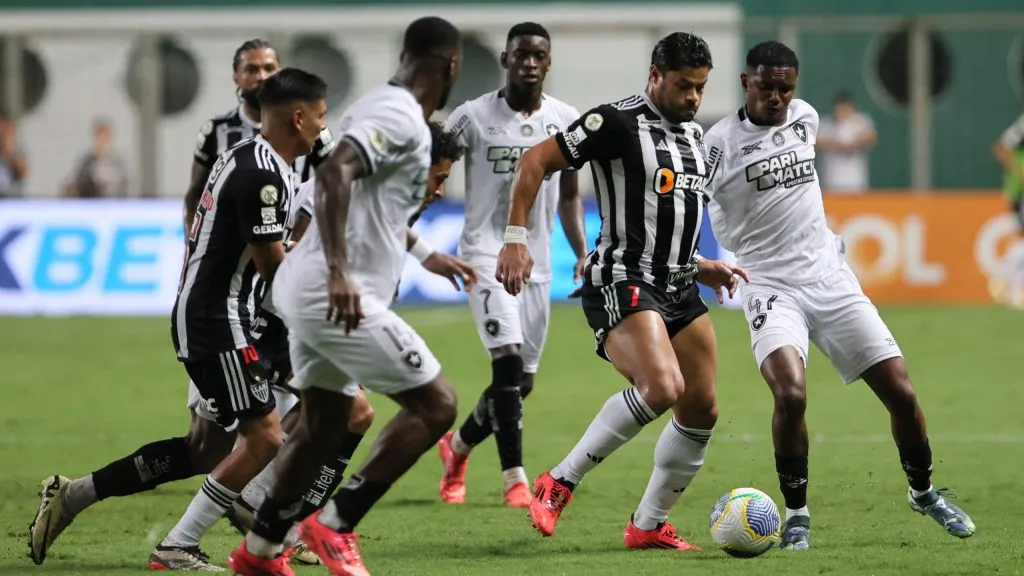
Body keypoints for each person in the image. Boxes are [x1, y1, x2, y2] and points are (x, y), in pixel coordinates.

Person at [701, 41, 975, 551]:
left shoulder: (805, 118)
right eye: (767, 86)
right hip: (770, 285)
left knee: (902, 393)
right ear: (746, 82)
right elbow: (681, 203)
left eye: (786, 88)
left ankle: (924, 493)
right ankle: (797, 516)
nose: (777, 97)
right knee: (790, 394)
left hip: (829, 277)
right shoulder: (718, 145)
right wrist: (699, 264)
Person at [228, 17, 475, 576]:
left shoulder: (378, 108)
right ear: (451, 65)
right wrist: (339, 271)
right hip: (333, 291)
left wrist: (423, 253)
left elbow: (363, 195)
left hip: (306, 288)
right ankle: (336, 523)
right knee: (437, 404)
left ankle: (259, 552)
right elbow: (336, 175)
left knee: (323, 427)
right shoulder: (398, 115)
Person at [495, 32, 746, 550]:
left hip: (679, 287)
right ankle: (558, 481)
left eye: (700, 87)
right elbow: (535, 161)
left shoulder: (694, 136)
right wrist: (516, 238)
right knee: (662, 386)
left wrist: (701, 266)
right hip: (623, 279)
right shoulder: (614, 122)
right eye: (683, 85)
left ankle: (648, 524)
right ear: (655, 75)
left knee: (701, 409)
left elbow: (666, 217)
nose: (693, 97)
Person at [436, 21, 587, 508]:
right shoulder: (473, 116)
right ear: (505, 60)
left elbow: (570, 197)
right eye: (521, 54)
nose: (530, 63)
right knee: (506, 360)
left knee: (521, 382)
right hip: (484, 254)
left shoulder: (566, 120)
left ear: (548, 62)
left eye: (538, 55)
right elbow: (436, 162)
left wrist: (581, 253)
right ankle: (514, 479)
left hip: (538, 263)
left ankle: (457, 447)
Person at [989, 107, 1024, 307]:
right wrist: (1020, 173)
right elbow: (1001, 149)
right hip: (1021, 191)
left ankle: (1016, 292)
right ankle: (1003, 276)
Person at [815, 91, 876, 193]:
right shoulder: (826, 123)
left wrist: (855, 144)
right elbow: (817, 142)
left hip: (856, 183)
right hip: (831, 183)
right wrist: (838, 145)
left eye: (846, 106)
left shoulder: (860, 122)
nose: (843, 110)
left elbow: (871, 137)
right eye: (840, 106)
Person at [63, 117, 129, 198]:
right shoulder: (87, 161)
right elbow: (78, 181)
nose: (102, 142)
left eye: (104, 138)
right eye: (99, 138)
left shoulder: (117, 162)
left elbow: (124, 184)